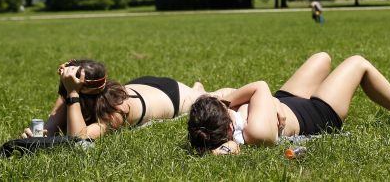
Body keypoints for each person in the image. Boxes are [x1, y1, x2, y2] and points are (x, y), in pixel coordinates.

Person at [187, 52, 390, 155]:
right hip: (316, 115)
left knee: (322, 58)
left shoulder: (218, 126)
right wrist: (234, 101)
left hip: (286, 101)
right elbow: (259, 85)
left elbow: (258, 96)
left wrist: (271, 103)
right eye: (226, 112)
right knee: (358, 63)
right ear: (229, 130)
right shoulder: (256, 131)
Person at [22, 59, 233, 140]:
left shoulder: (116, 111)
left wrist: (73, 94)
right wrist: (37, 136)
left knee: (213, 99)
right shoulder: (72, 93)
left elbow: (78, 138)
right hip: (142, 86)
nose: (66, 93)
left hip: (172, 96)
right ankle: (196, 87)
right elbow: (54, 121)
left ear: (79, 90)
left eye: (70, 89)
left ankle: (199, 90)